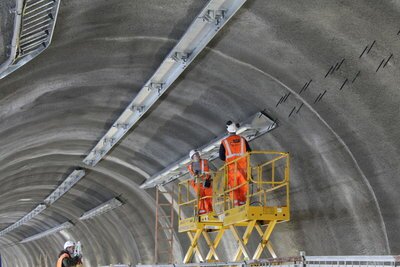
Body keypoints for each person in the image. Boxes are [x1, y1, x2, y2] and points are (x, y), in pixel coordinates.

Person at [219, 121, 251, 206]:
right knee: (243, 187)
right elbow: (249, 151)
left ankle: (237, 206)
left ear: (228, 130)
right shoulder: (242, 139)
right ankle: (244, 204)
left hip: (232, 170)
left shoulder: (225, 142)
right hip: (243, 169)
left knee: (234, 188)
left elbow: (222, 157)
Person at [187, 150, 213, 214]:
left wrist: (209, 178)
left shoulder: (206, 162)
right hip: (198, 184)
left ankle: (209, 211)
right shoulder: (190, 167)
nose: (196, 156)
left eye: (197, 154)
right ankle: (201, 212)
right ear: (192, 157)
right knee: (200, 197)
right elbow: (192, 177)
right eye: (195, 155)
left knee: (209, 196)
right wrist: (195, 176)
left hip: (207, 183)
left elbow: (214, 171)